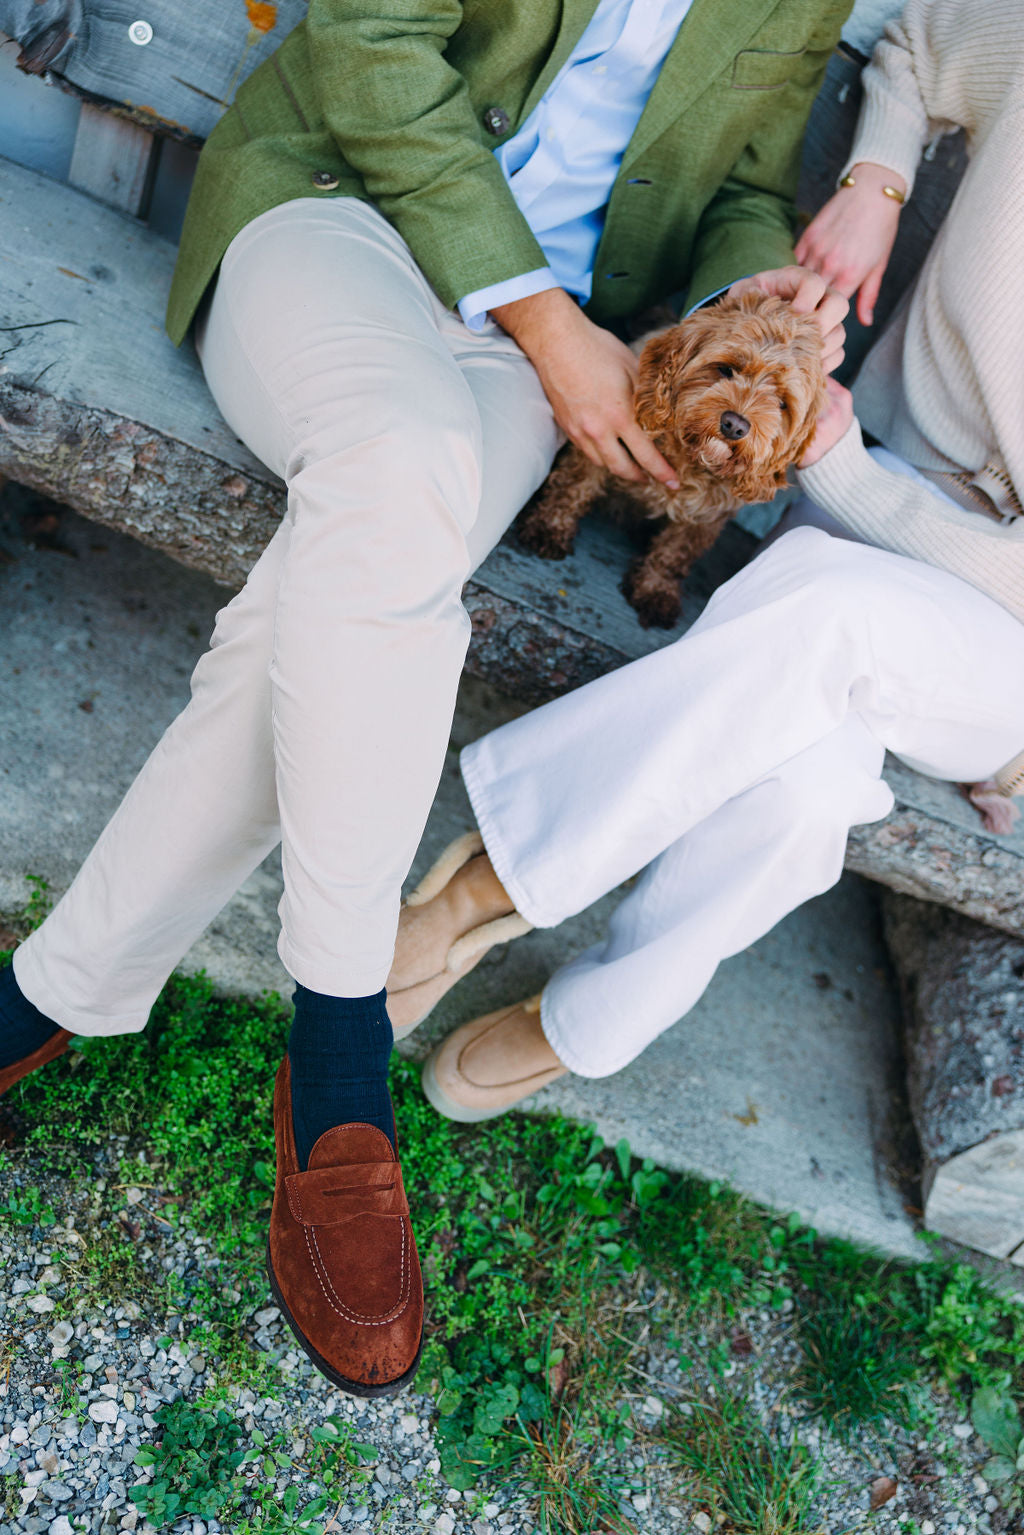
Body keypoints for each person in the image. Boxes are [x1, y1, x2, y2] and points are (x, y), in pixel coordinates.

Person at [0, 0, 851, 1396]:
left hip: (542, 367)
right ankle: (340, 1044)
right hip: (338, 219)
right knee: (394, 466)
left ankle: (52, 994)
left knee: (362, 555)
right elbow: (364, 38)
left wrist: (753, 304)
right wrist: (546, 322)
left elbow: (748, 186)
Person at [389, 0, 1024, 1133]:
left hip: (991, 650)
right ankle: (592, 1025)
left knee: (828, 606)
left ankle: (484, 888)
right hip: (859, 507)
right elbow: (924, 46)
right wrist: (876, 185)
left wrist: (845, 473)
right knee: (808, 783)